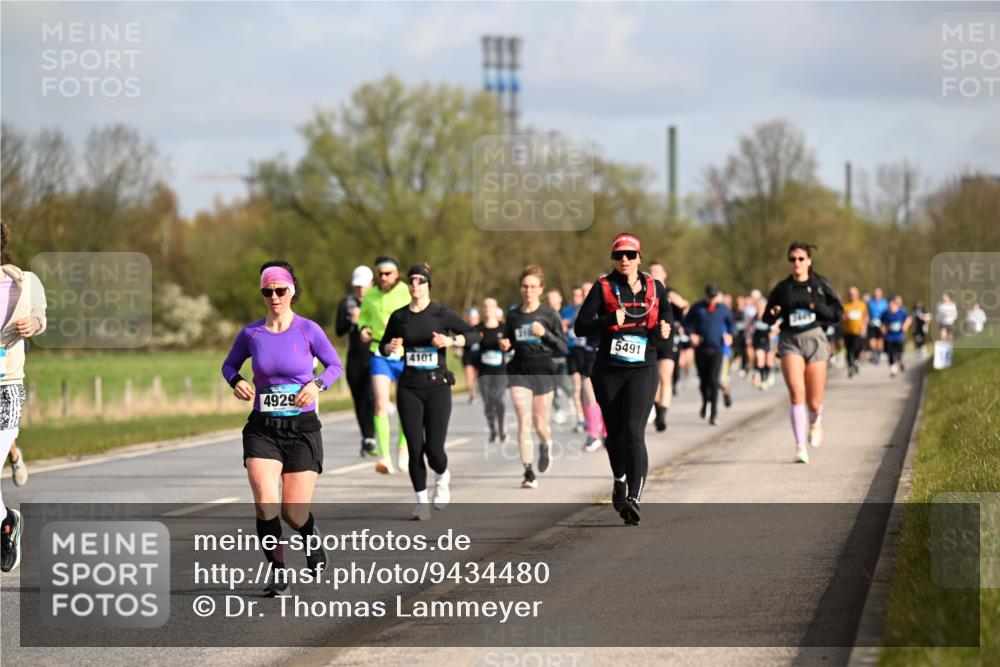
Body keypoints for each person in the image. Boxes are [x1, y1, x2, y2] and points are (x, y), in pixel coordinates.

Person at [221, 260, 343, 596]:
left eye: (279, 290)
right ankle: (278, 570)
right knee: (265, 503)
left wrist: (317, 384)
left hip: (302, 429)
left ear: (291, 292)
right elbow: (229, 364)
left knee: (293, 511)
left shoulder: (308, 330)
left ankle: (310, 535)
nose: (273, 296)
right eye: (267, 291)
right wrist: (237, 381)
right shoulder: (251, 334)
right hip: (263, 428)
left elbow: (335, 364)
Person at [575, 234, 672, 526]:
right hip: (608, 370)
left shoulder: (655, 288)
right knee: (614, 435)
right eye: (619, 256)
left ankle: (634, 498)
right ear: (613, 259)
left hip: (643, 367)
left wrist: (666, 331)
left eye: (630, 255)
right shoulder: (603, 286)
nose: (625, 260)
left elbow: (666, 319)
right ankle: (619, 479)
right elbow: (581, 327)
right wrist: (608, 320)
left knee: (633, 431)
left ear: (640, 257)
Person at [381, 264, 481, 520]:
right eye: (412, 280)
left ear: (428, 285)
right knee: (415, 448)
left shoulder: (441, 314)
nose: (416, 284)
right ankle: (421, 501)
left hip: (437, 386)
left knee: (434, 450)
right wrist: (389, 346)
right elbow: (384, 344)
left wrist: (450, 341)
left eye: (421, 281)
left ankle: (442, 476)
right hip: (409, 387)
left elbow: (473, 335)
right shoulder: (399, 316)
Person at [762, 242, 843, 464]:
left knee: (814, 402)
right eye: (792, 259)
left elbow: (837, 314)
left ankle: (815, 422)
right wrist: (774, 312)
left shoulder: (820, 285)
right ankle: (800, 446)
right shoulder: (783, 289)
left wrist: (816, 307)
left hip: (815, 339)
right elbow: (766, 318)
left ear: (808, 260)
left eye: (800, 258)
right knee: (797, 392)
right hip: (790, 341)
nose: (796, 263)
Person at [0, 222, 47, 573]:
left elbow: (40, 317)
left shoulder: (24, 282)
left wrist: (33, 323)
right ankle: (7, 522)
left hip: (7, 388)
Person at [499, 266, 568, 489]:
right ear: (521, 289)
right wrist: (504, 344)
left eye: (533, 286)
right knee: (523, 420)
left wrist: (544, 333)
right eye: (525, 286)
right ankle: (528, 472)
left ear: (541, 289)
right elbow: (507, 339)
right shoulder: (514, 315)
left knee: (540, 423)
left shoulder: (549, 314)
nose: (528, 290)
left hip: (543, 370)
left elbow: (562, 346)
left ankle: (546, 443)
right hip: (519, 368)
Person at [358, 255, 412, 474]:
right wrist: (364, 330)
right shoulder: (370, 295)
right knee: (381, 404)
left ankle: (403, 448)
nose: (383, 278)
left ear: (397, 273)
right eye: (379, 274)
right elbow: (364, 319)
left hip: (405, 353)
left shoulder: (407, 292)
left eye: (387, 273)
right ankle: (384, 457)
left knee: (406, 405)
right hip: (379, 352)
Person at [335, 265, 377, 457]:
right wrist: (352, 321)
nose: (360, 289)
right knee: (359, 399)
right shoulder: (347, 304)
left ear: (371, 284)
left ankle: (373, 435)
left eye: (363, 285)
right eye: (357, 286)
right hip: (355, 357)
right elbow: (339, 331)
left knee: (371, 396)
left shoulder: (377, 302)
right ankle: (366, 438)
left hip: (374, 354)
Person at [682, 284, 734, 426]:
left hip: (717, 350)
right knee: (703, 382)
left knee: (713, 380)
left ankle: (714, 413)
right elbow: (686, 323)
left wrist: (730, 335)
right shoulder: (698, 308)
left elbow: (731, 325)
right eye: (710, 296)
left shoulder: (723, 309)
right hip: (700, 350)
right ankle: (705, 402)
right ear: (705, 295)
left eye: (714, 296)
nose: (712, 299)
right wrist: (691, 335)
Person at [648, 260, 689, 433]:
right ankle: (658, 409)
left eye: (657, 271)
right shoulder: (647, 292)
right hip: (650, 339)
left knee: (665, 377)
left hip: (668, 340)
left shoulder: (670, 292)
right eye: (651, 271)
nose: (654, 273)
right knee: (654, 380)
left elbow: (686, 307)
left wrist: (680, 305)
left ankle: (662, 415)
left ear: (665, 274)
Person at [476, 298, 508, 444]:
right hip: (484, 372)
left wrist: (505, 345)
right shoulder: (478, 329)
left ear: (496, 309)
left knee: (498, 399)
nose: (488, 308)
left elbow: (511, 346)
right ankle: (492, 430)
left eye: (490, 306)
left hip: (500, 370)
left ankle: (502, 429)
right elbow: (470, 349)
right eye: (485, 306)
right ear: (482, 310)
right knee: (488, 401)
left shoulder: (504, 328)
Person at [545, 289, 575, 426]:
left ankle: (573, 400)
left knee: (566, 384)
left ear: (560, 299)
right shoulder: (544, 315)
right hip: (549, 355)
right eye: (549, 299)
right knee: (551, 385)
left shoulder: (567, 312)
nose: (551, 302)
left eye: (553, 298)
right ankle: (558, 410)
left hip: (565, 354)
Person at [561, 285, 588, 434]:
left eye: (579, 295)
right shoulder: (566, 310)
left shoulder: (587, 308)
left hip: (585, 350)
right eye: (574, 295)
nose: (576, 298)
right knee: (576, 388)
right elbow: (562, 328)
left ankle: (591, 416)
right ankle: (580, 418)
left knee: (588, 388)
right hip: (571, 350)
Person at [841, 286, 868, 378]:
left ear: (857, 295)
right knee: (848, 350)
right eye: (850, 294)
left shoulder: (862, 305)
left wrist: (864, 324)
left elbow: (866, 316)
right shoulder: (845, 306)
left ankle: (855, 361)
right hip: (847, 331)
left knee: (856, 348)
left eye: (854, 294)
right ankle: (850, 367)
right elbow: (842, 317)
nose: (852, 296)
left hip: (858, 331)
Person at [883, 297, 910, 378]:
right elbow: (882, 323)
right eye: (889, 306)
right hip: (889, 336)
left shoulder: (901, 312)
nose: (891, 307)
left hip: (899, 336)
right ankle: (893, 369)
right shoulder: (886, 314)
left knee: (899, 353)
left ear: (896, 305)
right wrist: (883, 329)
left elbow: (909, 319)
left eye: (892, 305)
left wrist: (905, 325)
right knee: (890, 354)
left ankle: (900, 361)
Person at [460, 307, 481, 404]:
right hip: (467, 356)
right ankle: (472, 394)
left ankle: (475, 391)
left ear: (477, 318)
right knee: (469, 376)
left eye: (474, 318)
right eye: (471, 318)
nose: (472, 320)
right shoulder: (465, 329)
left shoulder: (481, 328)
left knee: (476, 376)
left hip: (478, 355)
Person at [866, 287, 888, 364]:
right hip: (872, 323)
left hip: (881, 324)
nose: (876, 295)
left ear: (881, 294)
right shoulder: (870, 302)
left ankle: (879, 354)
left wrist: (885, 325)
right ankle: (874, 354)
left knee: (880, 341)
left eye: (878, 294)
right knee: (871, 341)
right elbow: (866, 313)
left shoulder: (885, 303)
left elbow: (887, 314)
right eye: (875, 294)